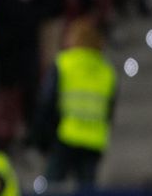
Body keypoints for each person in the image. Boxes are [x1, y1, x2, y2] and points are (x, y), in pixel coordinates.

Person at [35, 17, 117, 186]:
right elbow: (110, 109)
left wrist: (41, 137)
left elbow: (47, 101)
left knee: (51, 191)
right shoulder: (107, 71)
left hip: (66, 135)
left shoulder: (64, 63)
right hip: (94, 139)